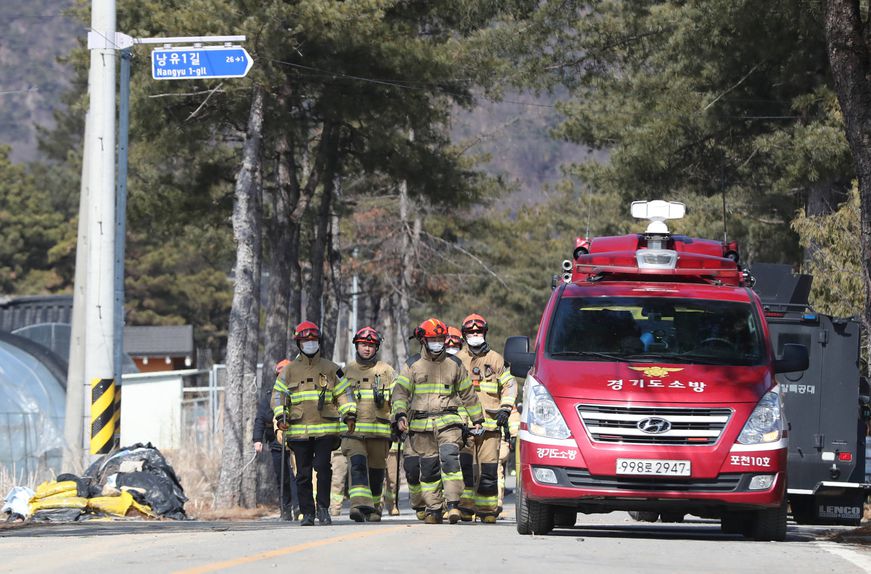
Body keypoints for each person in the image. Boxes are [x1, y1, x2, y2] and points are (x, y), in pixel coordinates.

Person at [391, 318, 484, 524]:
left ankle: (452, 505)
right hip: (421, 426)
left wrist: (477, 419)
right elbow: (400, 394)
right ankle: (434, 509)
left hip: (448, 422)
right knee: (429, 467)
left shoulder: (455, 364)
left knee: (450, 458)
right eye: (433, 339)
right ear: (423, 341)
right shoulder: (412, 365)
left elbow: (468, 394)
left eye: (441, 339)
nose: (438, 343)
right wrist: (400, 415)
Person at [273, 321, 357, 526]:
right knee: (302, 473)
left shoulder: (331, 368)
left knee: (323, 468)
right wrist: (281, 415)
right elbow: (278, 395)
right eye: (305, 340)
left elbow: (344, 394)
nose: (310, 344)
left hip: (325, 431)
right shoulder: (289, 370)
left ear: (318, 341)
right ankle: (307, 513)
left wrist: (349, 414)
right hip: (299, 431)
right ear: (298, 343)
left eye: (313, 340)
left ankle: (323, 509)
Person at [456, 313, 517, 523]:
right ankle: (465, 507)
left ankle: (487, 510)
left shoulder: (496, 359)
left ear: (485, 333)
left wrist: (506, 408)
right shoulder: (456, 361)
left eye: (478, 331)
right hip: (463, 426)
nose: (475, 335)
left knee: (489, 471)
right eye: (471, 332)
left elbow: (509, 385)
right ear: (464, 335)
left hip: (491, 426)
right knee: (465, 469)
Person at [340, 326, 396, 522]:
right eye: (363, 344)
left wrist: (398, 420)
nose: (367, 349)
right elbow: (335, 398)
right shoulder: (345, 372)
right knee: (357, 465)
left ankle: (373, 509)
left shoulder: (387, 371)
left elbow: (397, 398)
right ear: (357, 345)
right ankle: (358, 506)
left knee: (376, 471)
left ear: (377, 348)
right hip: (352, 432)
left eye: (371, 345)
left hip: (379, 432)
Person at [253, 359, 298, 520]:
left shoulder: (299, 392)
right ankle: (285, 510)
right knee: (282, 477)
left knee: (297, 475)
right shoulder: (268, 396)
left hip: (297, 441)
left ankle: (299, 507)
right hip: (276, 442)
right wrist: (257, 439)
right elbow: (260, 418)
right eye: (281, 374)